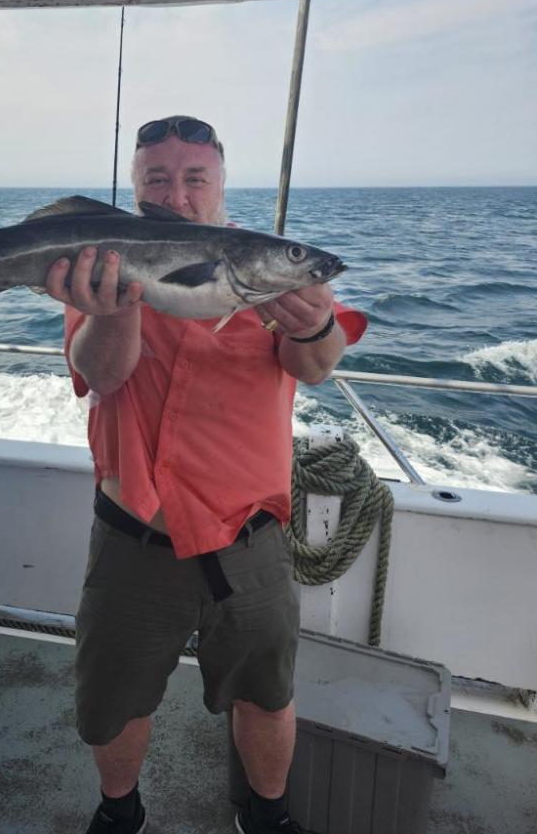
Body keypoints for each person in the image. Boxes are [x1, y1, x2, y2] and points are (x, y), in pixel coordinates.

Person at [46, 116, 367, 834]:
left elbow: (316, 366)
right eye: (158, 179)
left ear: (221, 184)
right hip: (135, 534)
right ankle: (118, 811)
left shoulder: (266, 265)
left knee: (266, 692)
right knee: (113, 701)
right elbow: (99, 372)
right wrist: (115, 305)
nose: (179, 194)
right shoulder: (101, 259)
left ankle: (268, 816)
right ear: (135, 187)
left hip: (246, 538)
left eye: (195, 178)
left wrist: (313, 325)